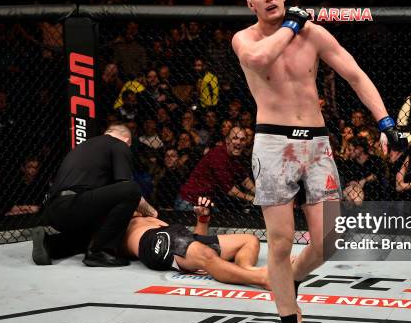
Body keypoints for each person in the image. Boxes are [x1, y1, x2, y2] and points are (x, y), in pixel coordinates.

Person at [231, 0, 406, 323]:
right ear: (251, 4)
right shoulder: (245, 39)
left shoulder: (314, 35)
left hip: (317, 144)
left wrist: (386, 122)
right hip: (273, 143)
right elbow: (260, 60)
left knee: (328, 241)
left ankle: (286, 281)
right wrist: (293, 24)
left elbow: (355, 75)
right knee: (279, 242)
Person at [35, 124, 158, 267]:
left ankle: (50, 244)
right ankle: (100, 252)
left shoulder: (83, 147)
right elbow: (126, 187)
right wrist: (151, 212)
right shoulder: (119, 145)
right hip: (75, 204)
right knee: (131, 189)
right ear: (126, 140)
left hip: (53, 210)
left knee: (94, 236)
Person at [123, 196, 269, 289]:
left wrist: (202, 219)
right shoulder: (119, 221)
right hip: (153, 241)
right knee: (206, 255)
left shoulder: (143, 214)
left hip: (176, 235)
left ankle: (247, 269)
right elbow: (136, 197)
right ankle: (262, 278)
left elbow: (193, 241)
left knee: (250, 240)